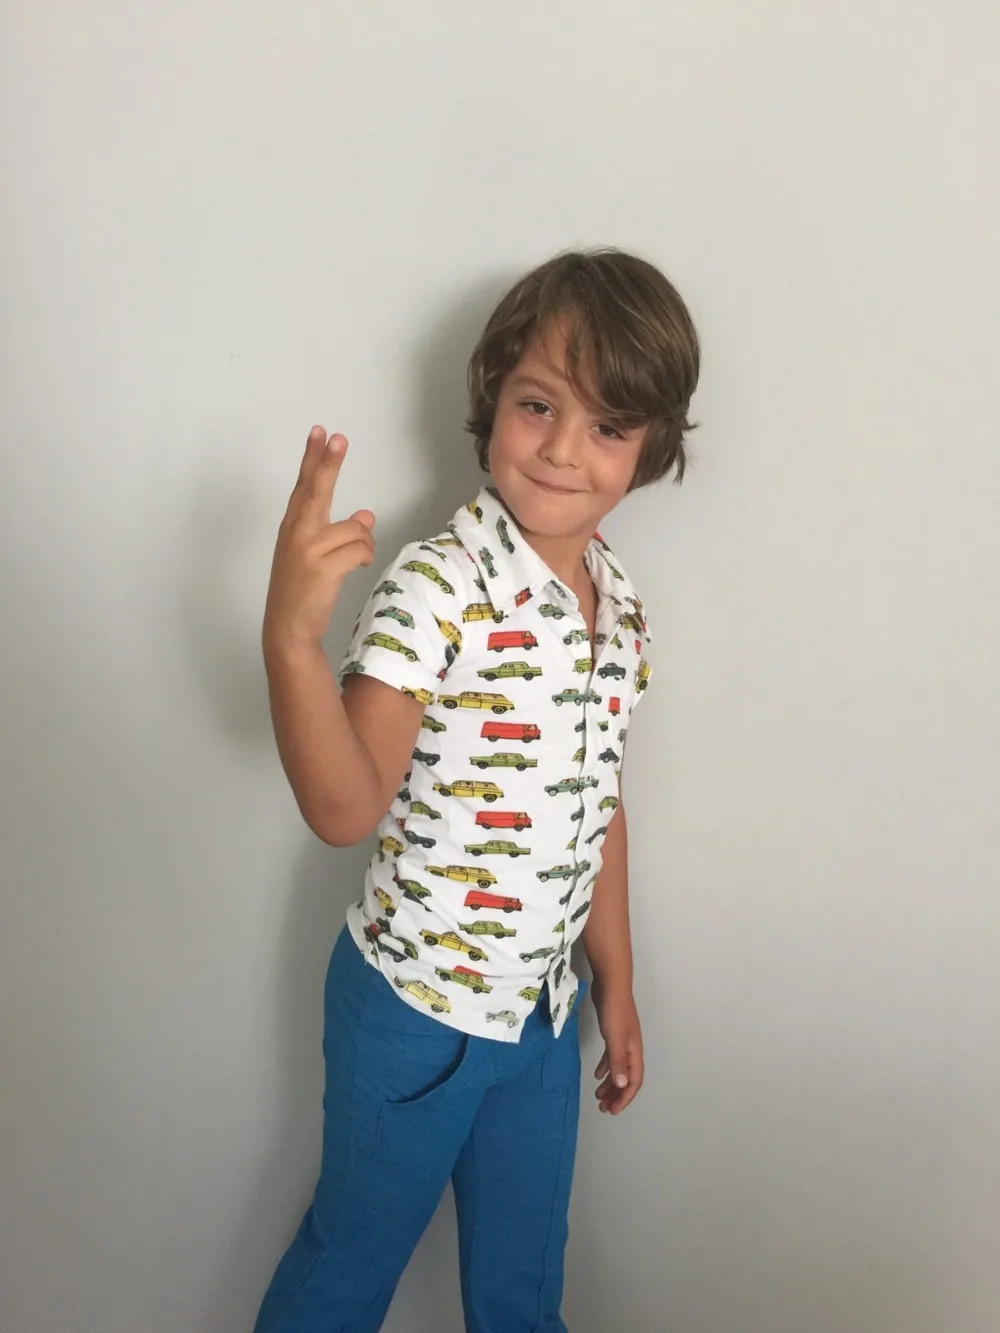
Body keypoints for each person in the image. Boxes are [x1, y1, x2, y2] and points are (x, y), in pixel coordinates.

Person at [254, 247, 700, 1333]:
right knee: (345, 1272)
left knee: (522, 1290)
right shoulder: (437, 584)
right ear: (493, 398)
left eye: (606, 425)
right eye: (538, 404)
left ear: (650, 448)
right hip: (415, 1014)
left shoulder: (619, 605)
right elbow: (344, 809)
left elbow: (599, 805)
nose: (561, 448)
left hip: (540, 1020)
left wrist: (616, 979)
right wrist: (291, 640)